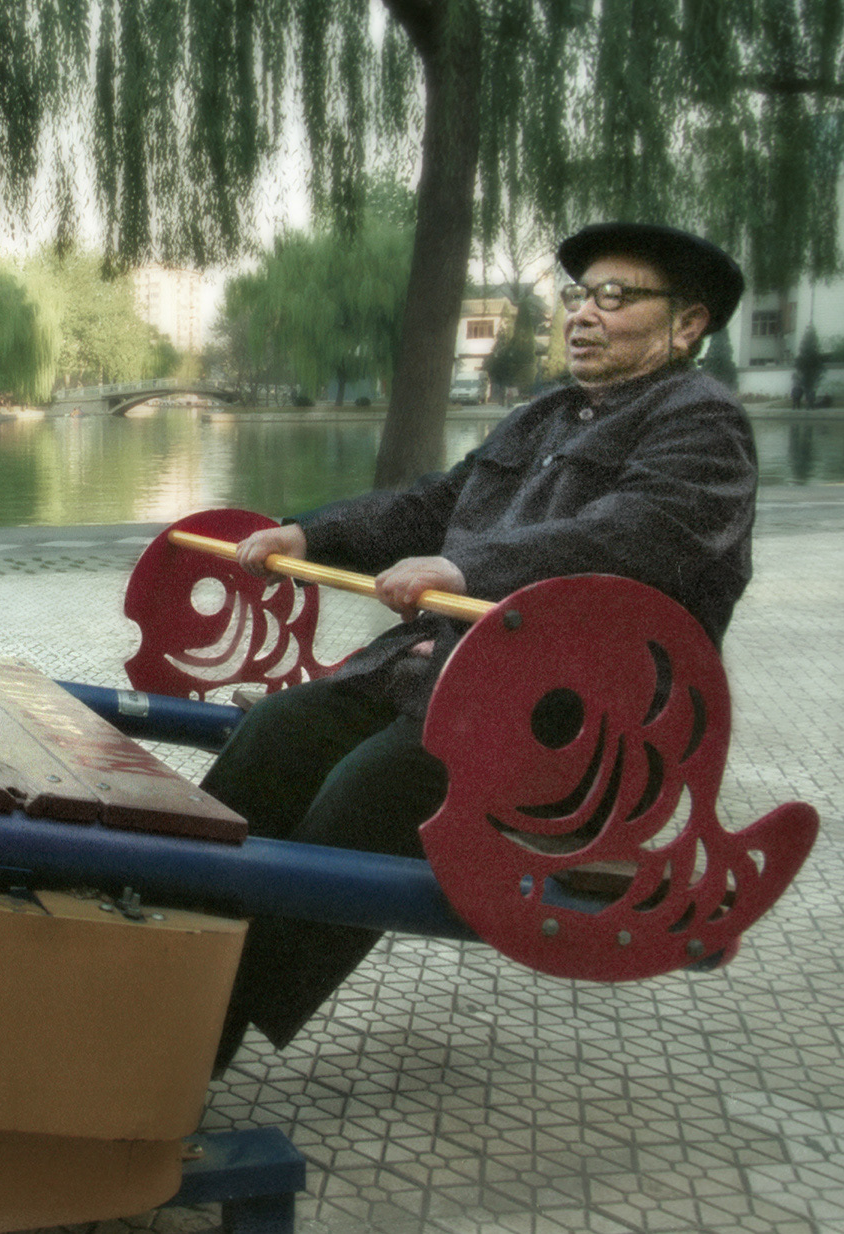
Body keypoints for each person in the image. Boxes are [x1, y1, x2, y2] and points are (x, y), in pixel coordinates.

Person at [203, 222, 757, 1072]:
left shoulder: (701, 422)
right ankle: (162, 962)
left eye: (615, 297)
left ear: (685, 326)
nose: (583, 314)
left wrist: (465, 565)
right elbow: (435, 505)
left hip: (570, 718)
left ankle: (201, 1036)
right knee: (272, 735)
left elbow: (631, 536)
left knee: (366, 794)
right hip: (449, 673)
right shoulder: (545, 414)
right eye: (577, 295)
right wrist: (309, 534)